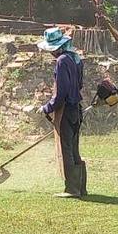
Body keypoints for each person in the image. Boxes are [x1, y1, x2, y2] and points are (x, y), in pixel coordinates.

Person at [37, 26, 87, 198]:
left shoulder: (62, 61)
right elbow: (79, 84)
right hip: (76, 109)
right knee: (73, 148)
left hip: (66, 110)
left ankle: (72, 189)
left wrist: (47, 108)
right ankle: (81, 188)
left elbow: (60, 93)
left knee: (66, 149)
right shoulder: (75, 58)